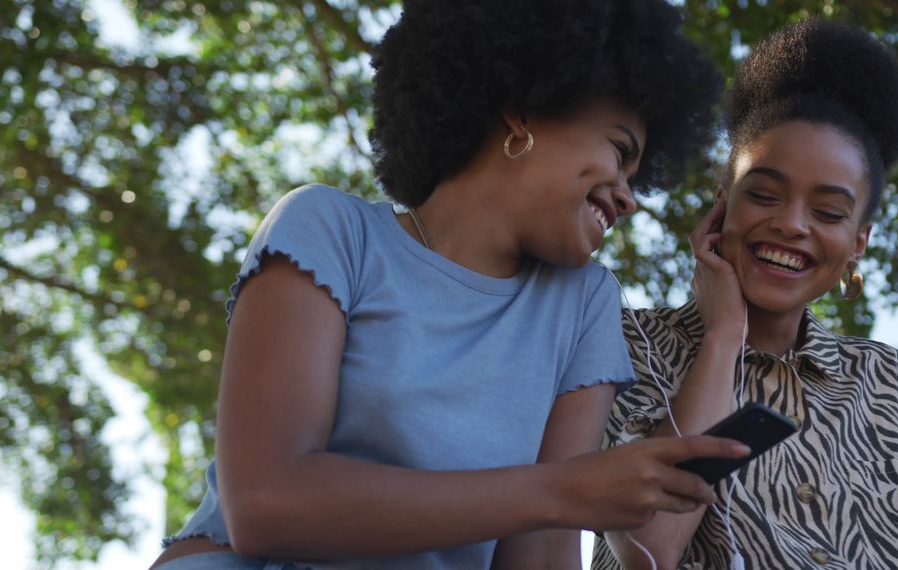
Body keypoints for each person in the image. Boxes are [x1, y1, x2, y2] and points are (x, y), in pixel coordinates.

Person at [148, 1, 750, 569]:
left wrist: (569, 496)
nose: (626, 195)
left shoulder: (583, 302)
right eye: (619, 152)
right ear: (523, 110)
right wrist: (564, 490)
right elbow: (266, 505)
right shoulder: (330, 229)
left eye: (635, 176)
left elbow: (538, 555)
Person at [592, 20, 898, 570]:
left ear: (857, 245)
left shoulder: (887, 384)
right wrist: (724, 337)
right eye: (765, 194)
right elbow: (651, 547)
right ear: (721, 206)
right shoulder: (626, 344)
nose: (791, 224)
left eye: (827, 212)